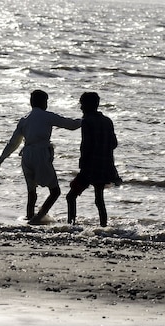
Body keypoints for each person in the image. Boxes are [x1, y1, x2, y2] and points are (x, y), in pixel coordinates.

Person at [0, 90, 81, 224]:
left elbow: (13, 144)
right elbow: (71, 125)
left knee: (31, 191)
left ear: (31, 102)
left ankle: (29, 216)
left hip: (26, 155)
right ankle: (38, 217)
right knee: (55, 191)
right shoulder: (47, 116)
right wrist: (86, 119)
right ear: (44, 102)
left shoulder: (24, 120)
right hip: (41, 154)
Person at [66, 92, 121, 227]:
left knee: (71, 196)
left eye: (82, 105)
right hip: (105, 166)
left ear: (88, 105)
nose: (81, 108)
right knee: (99, 199)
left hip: (90, 167)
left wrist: (82, 165)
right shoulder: (107, 121)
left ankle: (71, 224)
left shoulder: (87, 121)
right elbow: (114, 144)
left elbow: (86, 145)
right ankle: (103, 226)